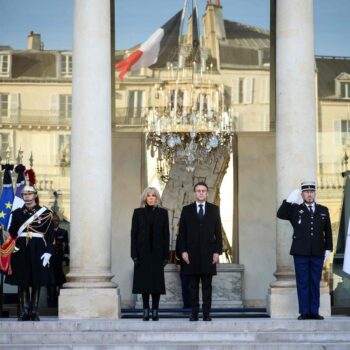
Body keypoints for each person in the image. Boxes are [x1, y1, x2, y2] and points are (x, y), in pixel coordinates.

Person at [277, 181, 333, 320]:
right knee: (302, 282)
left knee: (315, 282)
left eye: (311, 192)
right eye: (306, 192)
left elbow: (328, 231)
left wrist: (328, 248)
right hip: (300, 252)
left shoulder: (323, 210)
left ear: (315, 193)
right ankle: (304, 312)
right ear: (302, 194)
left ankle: (314, 311)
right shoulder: (295, 209)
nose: (309, 194)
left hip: (318, 252)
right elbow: (280, 214)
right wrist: (288, 201)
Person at [6, 186, 54, 321]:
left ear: (35, 195)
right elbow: (12, 233)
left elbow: (50, 235)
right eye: (24, 194)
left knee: (37, 281)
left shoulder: (45, 213)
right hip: (21, 248)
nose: (27, 196)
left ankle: (34, 311)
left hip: (38, 248)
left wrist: (49, 252)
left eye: (29, 193)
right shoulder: (16, 213)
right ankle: (25, 311)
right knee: (23, 280)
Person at [177, 181, 223, 321]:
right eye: (198, 191)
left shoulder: (214, 209)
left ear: (207, 193)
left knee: (207, 286)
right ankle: (194, 313)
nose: (201, 193)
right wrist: (183, 251)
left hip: (209, 254)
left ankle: (207, 313)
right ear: (195, 193)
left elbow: (218, 233)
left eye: (203, 191)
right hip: (191, 255)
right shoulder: (187, 210)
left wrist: (217, 252)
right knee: (193, 286)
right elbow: (182, 233)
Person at [130, 187, 170, 321]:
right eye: (149, 196)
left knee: (156, 284)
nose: (151, 198)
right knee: (145, 283)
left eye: (153, 195)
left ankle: (155, 311)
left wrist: (166, 256)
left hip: (158, 253)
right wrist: (134, 254)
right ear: (145, 198)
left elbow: (166, 235)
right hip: (142, 253)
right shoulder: (137, 212)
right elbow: (133, 235)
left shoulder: (163, 213)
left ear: (157, 198)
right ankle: (145, 310)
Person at [47, 213, 69, 307]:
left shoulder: (63, 232)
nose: (54, 222)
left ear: (59, 222)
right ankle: (51, 301)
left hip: (59, 260)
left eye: (56, 220)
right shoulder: (47, 232)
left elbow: (66, 247)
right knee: (50, 281)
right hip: (49, 260)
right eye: (52, 221)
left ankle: (61, 301)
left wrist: (66, 259)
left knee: (60, 280)